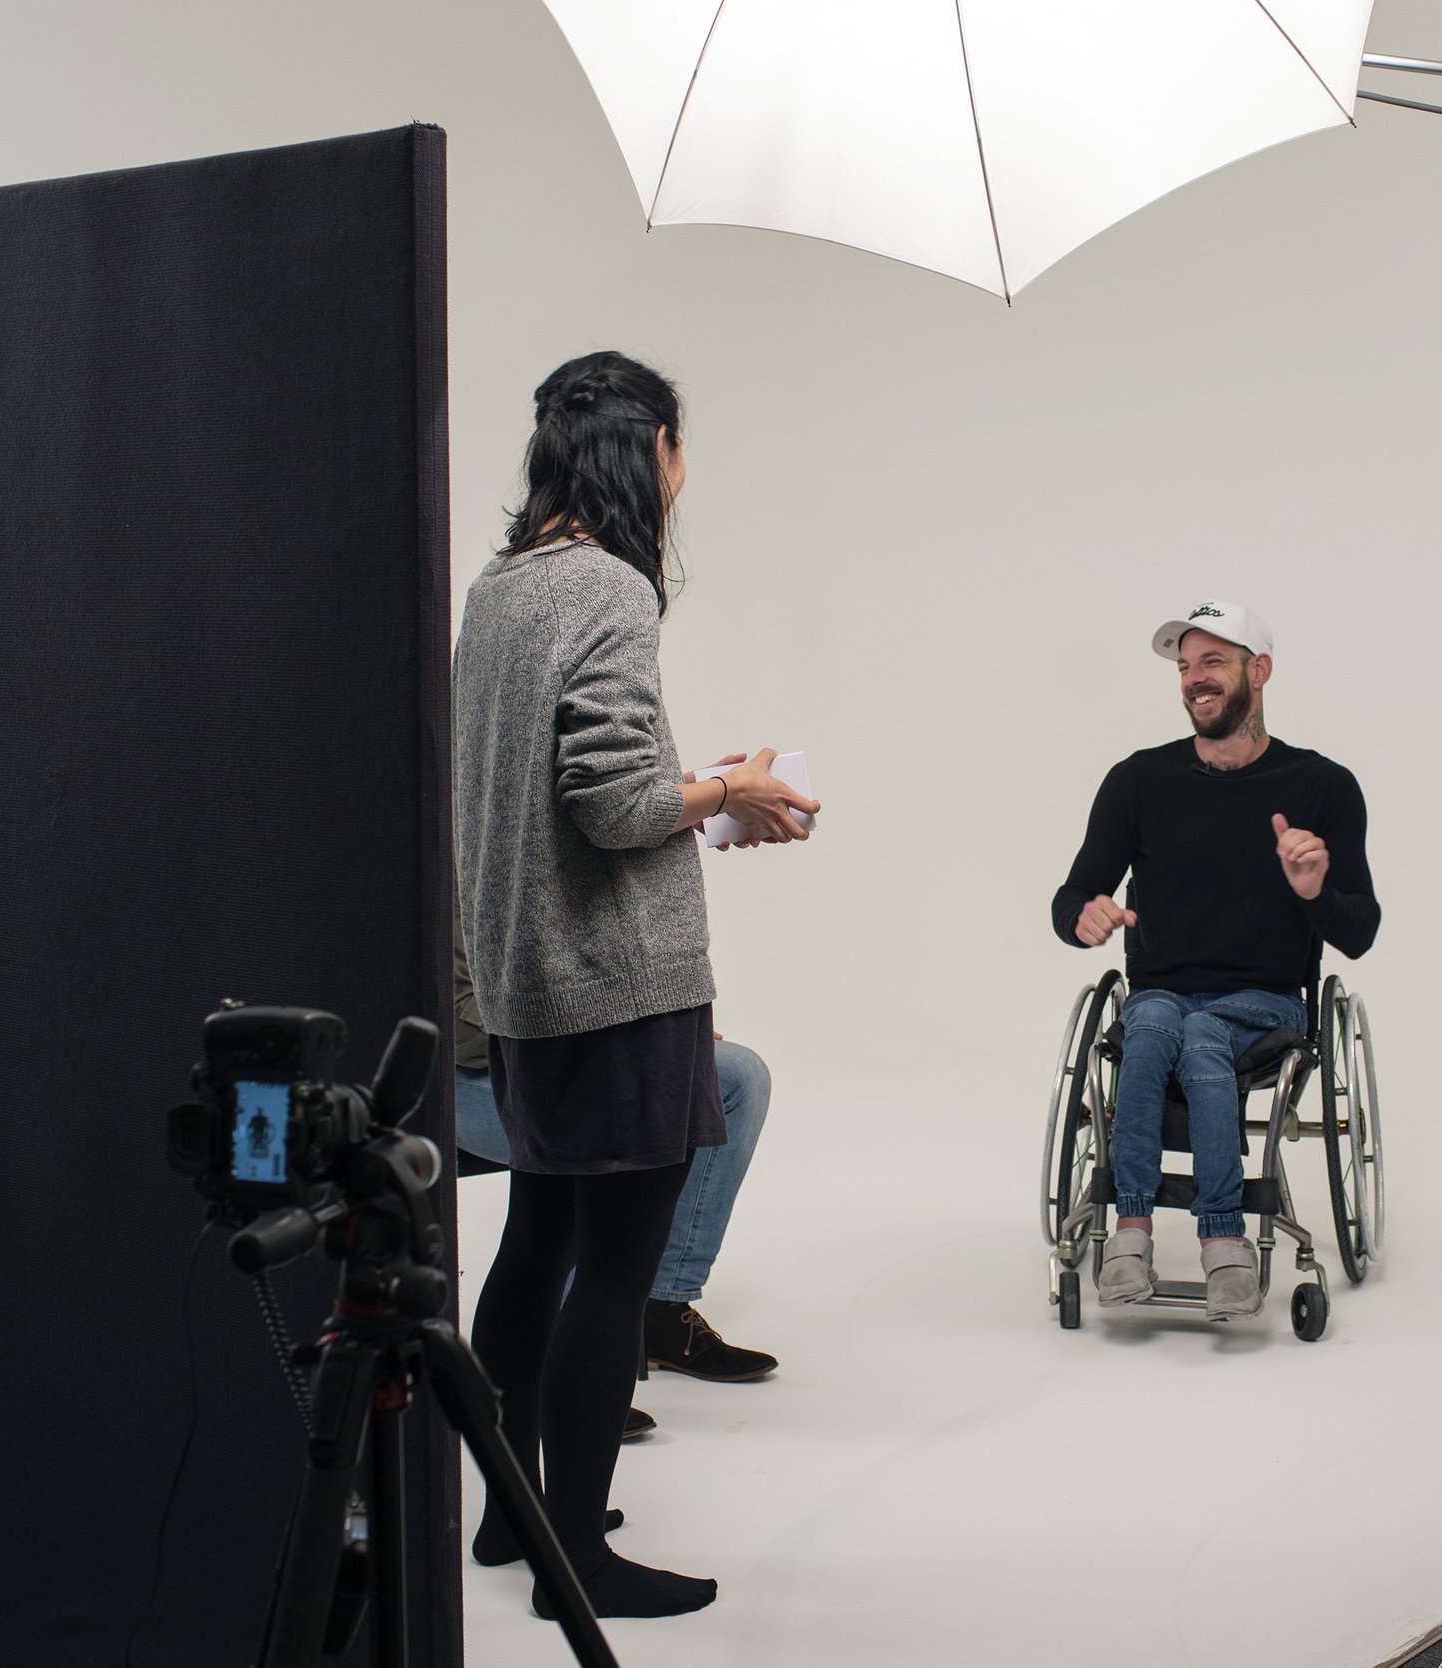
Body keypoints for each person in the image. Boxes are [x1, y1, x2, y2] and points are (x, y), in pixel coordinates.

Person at [453, 350, 819, 1619]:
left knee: (535, 1241)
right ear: (644, 451)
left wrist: (695, 795)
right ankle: (578, 1564)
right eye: (678, 454)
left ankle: (513, 1517)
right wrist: (729, 793)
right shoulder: (609, 590)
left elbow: (554, 796)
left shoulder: (500, 589)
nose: (679, 480)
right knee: (613, 1272)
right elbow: (612, 809)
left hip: (524, 983)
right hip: (617, 988)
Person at [1050, 600, 1379, 1321]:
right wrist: (1085, 915)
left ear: (1258, 671)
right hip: (1161, 992)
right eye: (1185, 665)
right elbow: (1071, 896)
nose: (1195, 679)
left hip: (1265, 1002)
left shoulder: (1322, 787)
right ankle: (1130, 1233)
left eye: (1213, 662)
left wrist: (1316, 890)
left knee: (1195, 1033)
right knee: (1156, 1022)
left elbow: (1360, 931)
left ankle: (1222, 1236)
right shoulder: (1139, 781)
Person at [451, 916, 779, 1409]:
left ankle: (661, 1309)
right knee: (600, 1112)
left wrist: (660, 1031)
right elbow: (455, 1015)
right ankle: (569, 1363)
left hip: (579, 1037)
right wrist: (608, 1039)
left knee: (737, 1077)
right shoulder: (453, 860)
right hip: (471, 1071)